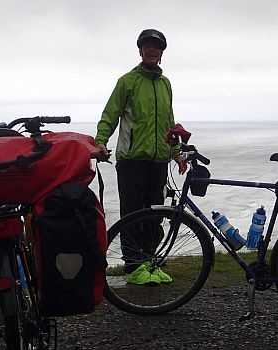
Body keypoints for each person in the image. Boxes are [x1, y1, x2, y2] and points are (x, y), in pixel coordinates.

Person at [95, 28, 187, 285]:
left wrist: (177, 153)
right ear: (140, 50)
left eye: (156, 47)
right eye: (147, 46)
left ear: (161, 53)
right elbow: (110, 114)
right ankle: (134, 266)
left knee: (154, 215)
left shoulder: (165, 83)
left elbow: (169, 121)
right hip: (132, 159)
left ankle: (150, 262)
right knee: (133, 214)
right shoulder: (128, 81)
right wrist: (100, 141)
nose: (152, 50)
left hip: (158, 161)